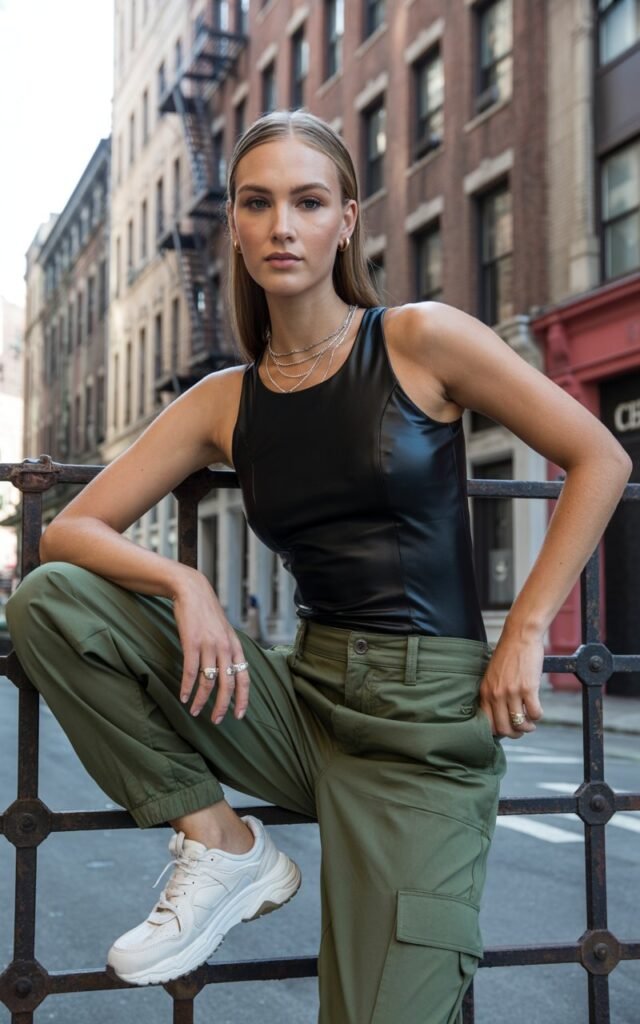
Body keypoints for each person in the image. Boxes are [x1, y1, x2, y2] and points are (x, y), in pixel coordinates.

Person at [6, 109, 631, 1023]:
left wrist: (527, 626)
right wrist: (186, 584)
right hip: (302, 701)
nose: (281, 226)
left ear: (346, 221)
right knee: (53, 601)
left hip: (426, 730)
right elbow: (70, 533)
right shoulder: (225, 400)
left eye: (307, 201)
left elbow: (602, 458)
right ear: (235, 228)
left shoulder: (421, 339)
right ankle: (222, 843)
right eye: (257, 204)